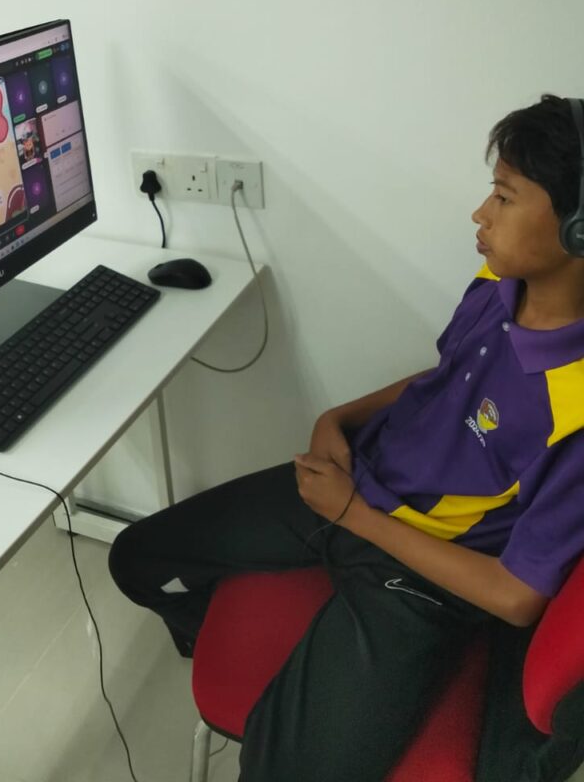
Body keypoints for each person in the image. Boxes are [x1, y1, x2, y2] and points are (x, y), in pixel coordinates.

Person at [109, 94, 584, 782]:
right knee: (134, 559)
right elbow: (446, 376)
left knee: (277, 768)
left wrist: (354, 515)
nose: (480, 214)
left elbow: (517, 597)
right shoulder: (499, 281)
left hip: (421, 574)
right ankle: (253, 642)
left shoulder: (576, 408)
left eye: (505, 197)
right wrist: (337, 418)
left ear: (577, 230)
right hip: (357, 479)